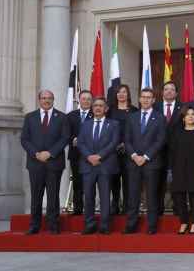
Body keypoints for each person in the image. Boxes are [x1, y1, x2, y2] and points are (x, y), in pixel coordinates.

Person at [20, 90, 69, 235]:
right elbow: (24, 139)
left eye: (49, 98)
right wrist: (36, 153)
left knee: (53, 195)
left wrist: (50, 153)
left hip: (54, 162)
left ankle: (53, 225)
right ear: (39, 100)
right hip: (35, 162)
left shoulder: (62, 117)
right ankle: (34, 225)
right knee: (36, 195)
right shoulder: (30, 117)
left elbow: (65, 138)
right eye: (43, 98)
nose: (46, 100)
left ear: (53, 100)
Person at [124, 88, 166, 235]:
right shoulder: (132, 117)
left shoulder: (160, 117)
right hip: (133, 162)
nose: (146, 100)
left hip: (152, 162)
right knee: (133, 195)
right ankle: (131, 225)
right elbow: (127, 140)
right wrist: (135, 156)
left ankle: (152, 226)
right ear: (139, 99)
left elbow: (160, 140)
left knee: (152, 196)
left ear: (153, 100)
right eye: (143, 97)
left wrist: (146, 156)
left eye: (149, 97)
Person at [76, 97, 120, 235]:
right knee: (88, 196)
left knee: (105, 196)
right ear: (92, 108)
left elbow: (114, 143)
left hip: (105, 165)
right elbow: (81, 143)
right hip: (88, 165)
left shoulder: (114, 124)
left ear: (106, 109)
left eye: (101, 105)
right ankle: (89, 224)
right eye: (95, 105)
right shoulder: (85, 124)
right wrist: (89, 156)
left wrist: (99, 156)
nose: (98, 108)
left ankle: (105, 225)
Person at [168, 106, 194, 235]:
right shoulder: (176, 132)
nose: (191, 116)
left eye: (193, 114)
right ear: (183, 118)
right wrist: (170, 170)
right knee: (179, 198)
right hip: (178, 169)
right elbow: (171, 153)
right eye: (188, 114)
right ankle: (184, 222)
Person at [106, 84, 138, 215]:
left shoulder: (135, 110)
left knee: (128, 179)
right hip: (112, 151)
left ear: (128, 94)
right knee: (113, 179)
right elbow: (106, 130)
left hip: (129, 151)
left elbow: (137, 131)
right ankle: (115, 204)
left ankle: (127, 206)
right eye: (118, 92)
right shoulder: (109, 111)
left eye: (124, 92)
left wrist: (126, 144)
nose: (121, 94)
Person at [153, 81, 183, 216]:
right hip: (157, 151)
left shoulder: (183, 108)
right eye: (166, 89)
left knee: (177, 181)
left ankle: (178, 208)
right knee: (158, 181)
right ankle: (158, 209)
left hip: (177, 152)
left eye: (172, 89)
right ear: (162, 92)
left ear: (176, 93)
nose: (169, 91)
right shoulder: (154, 107)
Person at [67, 90, 93, 215]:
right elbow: (65, 134)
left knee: (90, 184)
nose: (86, 101)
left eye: (89, 99)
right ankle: (77, 209)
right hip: (76, 155)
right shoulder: (71, 116)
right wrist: (72, 139)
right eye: (84, 99)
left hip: (91, 155)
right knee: (77, 183)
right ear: (79, 100)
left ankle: (90, 209)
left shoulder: (96, 114)